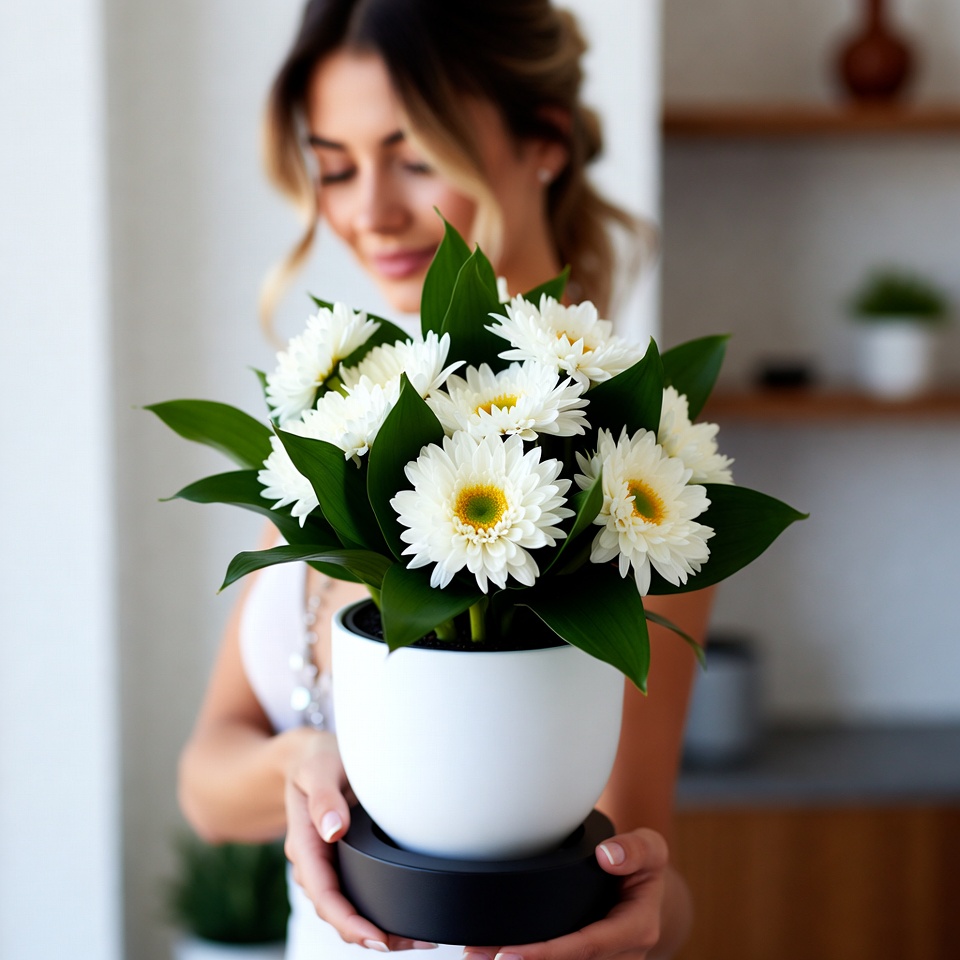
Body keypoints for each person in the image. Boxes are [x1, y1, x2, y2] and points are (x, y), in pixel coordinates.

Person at [177, 2, 715, 959]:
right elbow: (205, 784)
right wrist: (304, 765)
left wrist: (645, 919)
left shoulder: (633, 478)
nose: (367, 210)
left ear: (543, 141)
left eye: (414, 156)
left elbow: (633, 862)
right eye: (334, 166)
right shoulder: (341, 437)